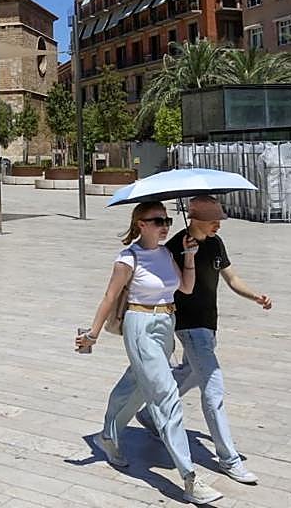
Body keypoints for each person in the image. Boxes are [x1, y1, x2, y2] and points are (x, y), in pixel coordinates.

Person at [75, 203, 223, 506]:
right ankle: (190, 477)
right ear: (140, 224)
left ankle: (109, 435)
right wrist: (93, 334)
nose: (164, 225)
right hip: (140, 325)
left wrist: (190, 256)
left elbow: (186, 287)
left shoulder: (167, 253)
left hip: (165, 325)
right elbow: (110, 297)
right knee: (166, 397)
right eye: (157, 220)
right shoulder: (128, 258)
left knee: (137, 384)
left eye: (166, 219)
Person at [132, 196, 269, 485]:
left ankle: (148, 414)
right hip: (189, 326)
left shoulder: (216, 243)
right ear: (196, 219)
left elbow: (231, 278)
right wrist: (186, 257)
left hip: (209, 326)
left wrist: (254, 296)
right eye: (213, 220)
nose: (218, 225)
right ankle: (228, 458)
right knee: (213, 387)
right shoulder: (173, 247)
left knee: (191, 372)